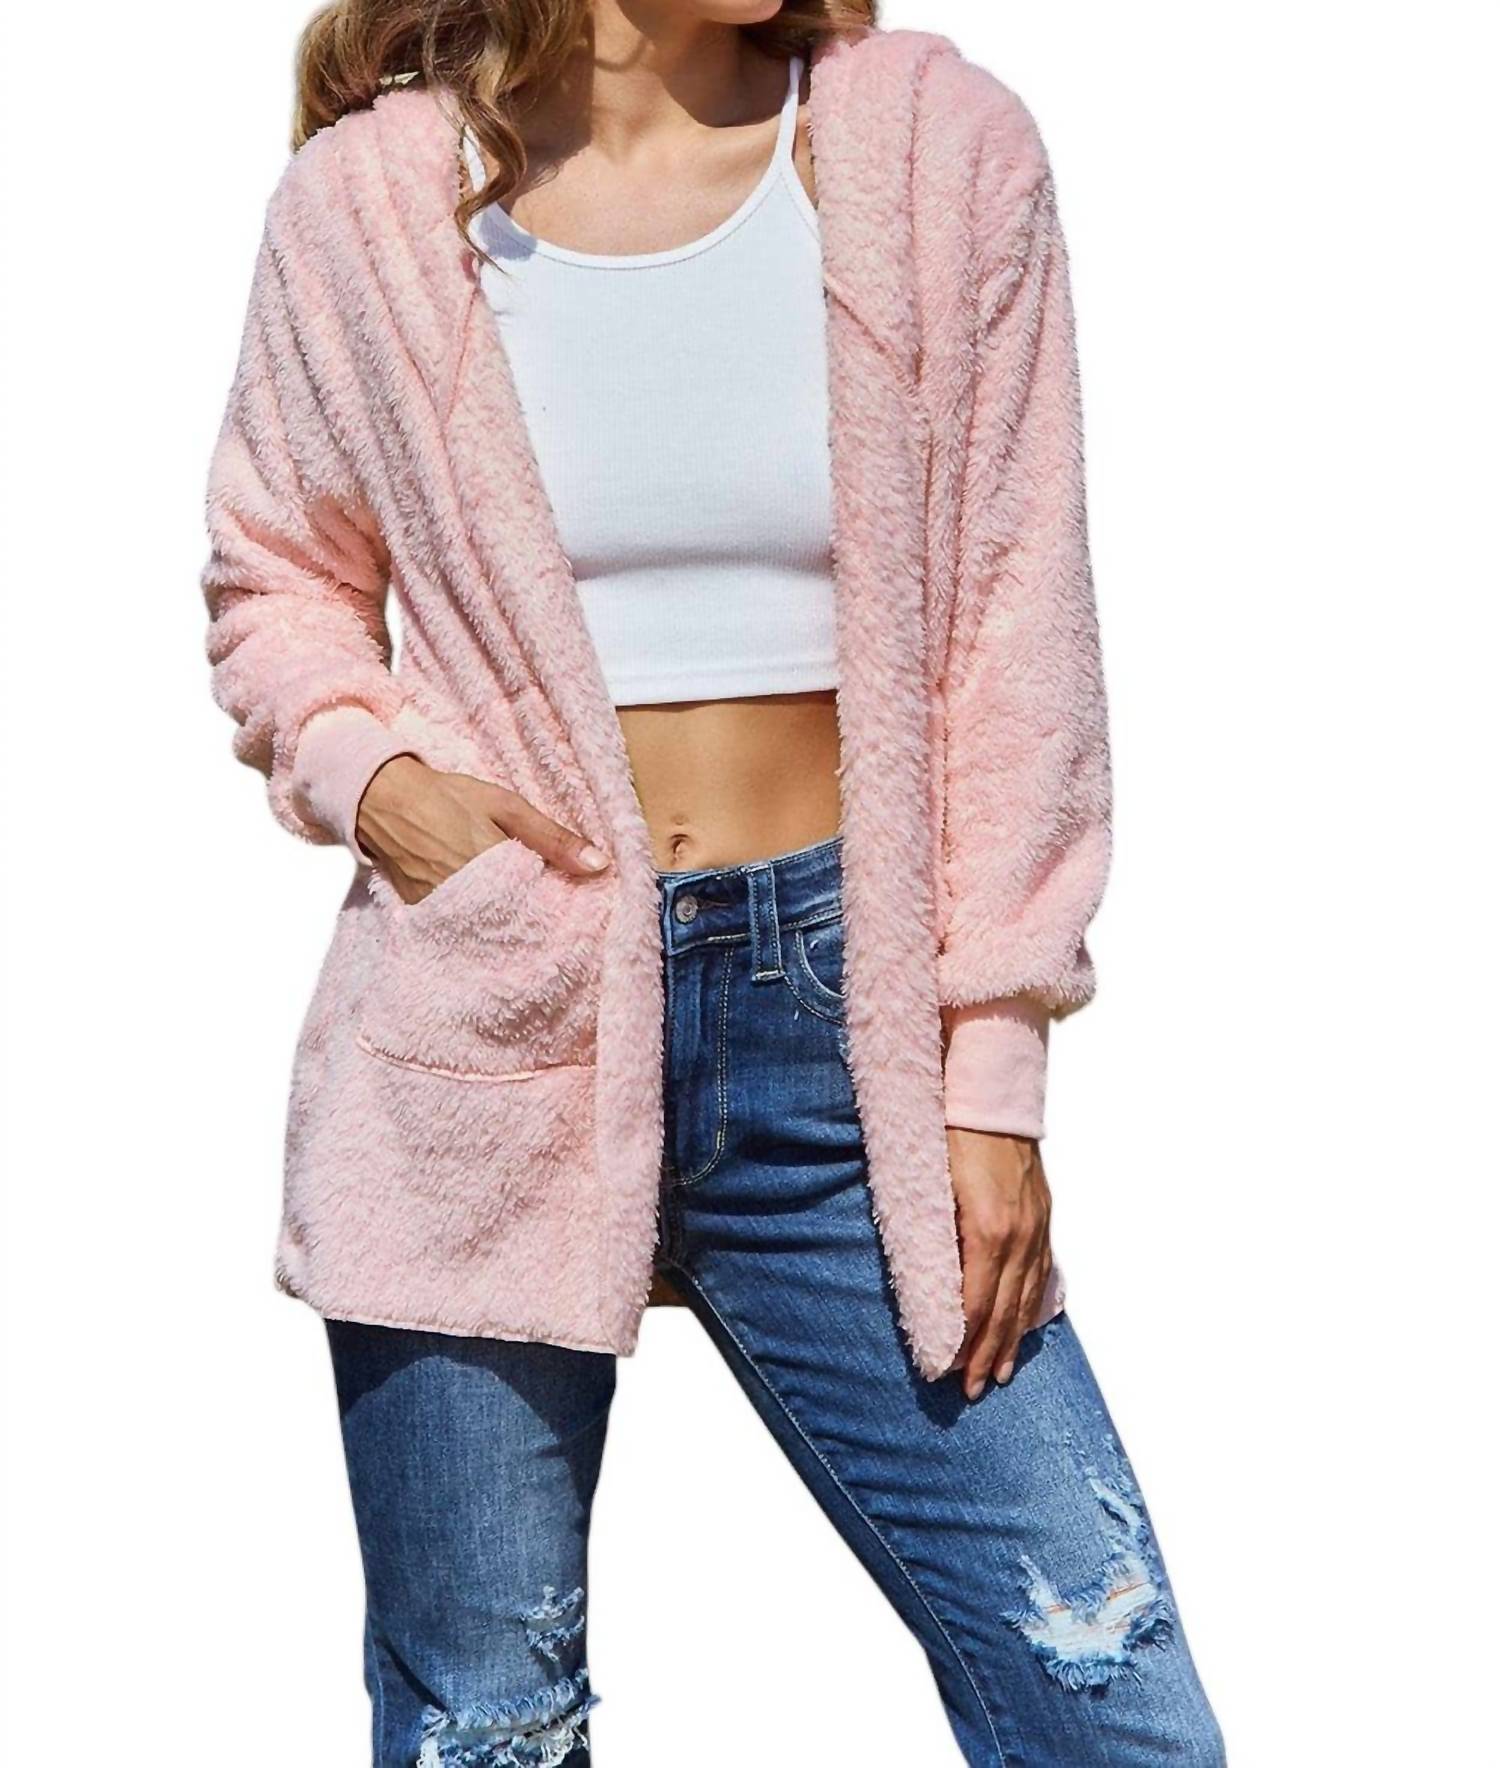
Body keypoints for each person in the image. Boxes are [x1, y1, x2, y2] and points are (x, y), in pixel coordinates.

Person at [200, 2, 1225, 1761]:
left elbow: (1020, 632)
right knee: (488, 1732)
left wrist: (993, 1067)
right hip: (493, 1016)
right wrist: (386, 791)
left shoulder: (933, 155)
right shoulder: (370, 202)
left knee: (1113, 1703)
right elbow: (274, 574)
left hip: (845, 1030)